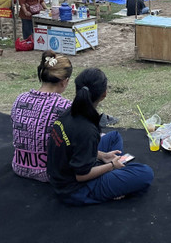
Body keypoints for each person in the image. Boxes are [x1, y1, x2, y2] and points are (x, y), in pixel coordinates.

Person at [46, 68, 154, 206]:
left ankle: (111, 175)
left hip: (62, 175)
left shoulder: (71, 111)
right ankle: (112, 184)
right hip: (74, 190)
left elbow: (72, 147)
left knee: (114, 137)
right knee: (145, 173)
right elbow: (81, 176)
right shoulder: (87, 129)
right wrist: (110, 165)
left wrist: (102, 156)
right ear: (104, 94)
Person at [11, 51, 73, 182]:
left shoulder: (20, 99)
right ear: (64, 81)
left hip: (19, 166)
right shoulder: (64, 106)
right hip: (49, 171)